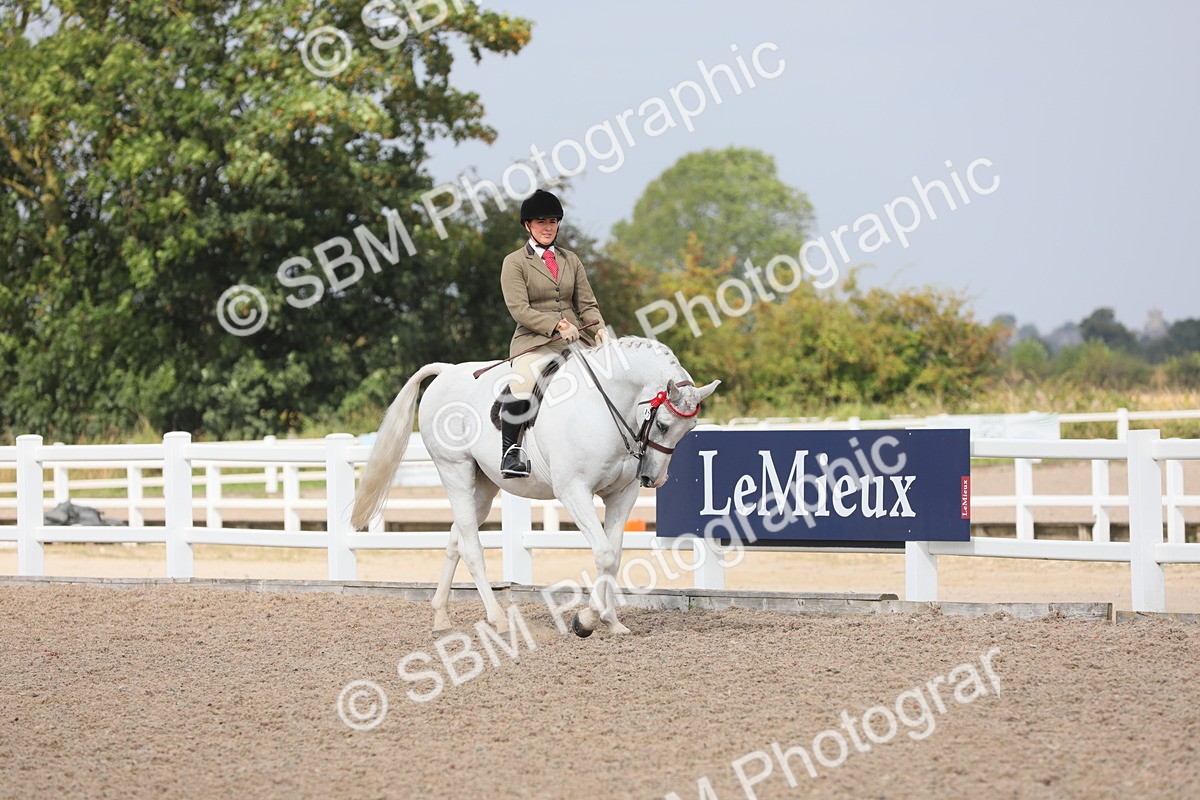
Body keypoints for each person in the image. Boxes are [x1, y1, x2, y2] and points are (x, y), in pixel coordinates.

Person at [498, 189, 611, 478]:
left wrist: (599, 329)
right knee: (524, 381)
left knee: (608, 376)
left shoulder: (571, 260)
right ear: (528, 225)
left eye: (552, 221)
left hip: (575, 340)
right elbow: (519, 309)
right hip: (534, 341)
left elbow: (586, 304)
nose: (548, 228)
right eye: (541, 222)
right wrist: (557, 325)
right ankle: (511, 452)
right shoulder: (515, 262)